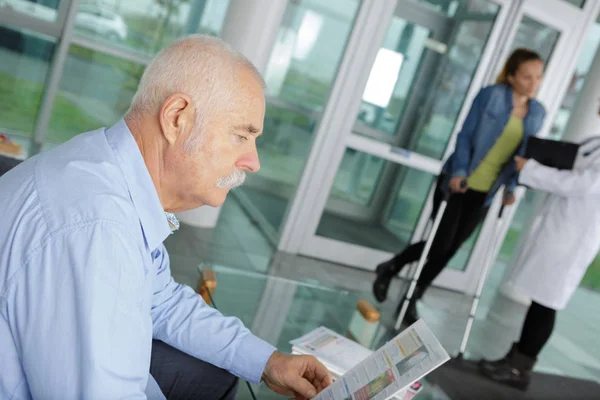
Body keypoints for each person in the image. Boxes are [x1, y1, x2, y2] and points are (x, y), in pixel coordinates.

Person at [0, 35, 331, 399]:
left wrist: (269, 362)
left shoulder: (105, 165)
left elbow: (162, 299)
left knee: (216, 379)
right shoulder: (98, 234)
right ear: (177, 118)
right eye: (241, 136)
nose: (253, 162)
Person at [372, 48, 546, 323]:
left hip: (487, 192)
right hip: (458, 180)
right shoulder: (491, 96)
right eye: (527, 76)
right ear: (512, 76)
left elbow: (523, 155)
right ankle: (392, 267)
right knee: (440, 244)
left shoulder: (537, 113)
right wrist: (459, 171)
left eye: (538, 77)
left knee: (452, 249)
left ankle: (414, 296)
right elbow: (465, 136)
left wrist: (511, 188)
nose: (533, 83)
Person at [479, 138, 600, 390]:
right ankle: (516, 359)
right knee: (540, 300)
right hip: (561, 226)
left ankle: (518, 369)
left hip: (574, 237)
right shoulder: (595, 143)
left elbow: (583, 184)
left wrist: (531, 169)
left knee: (547, 303)